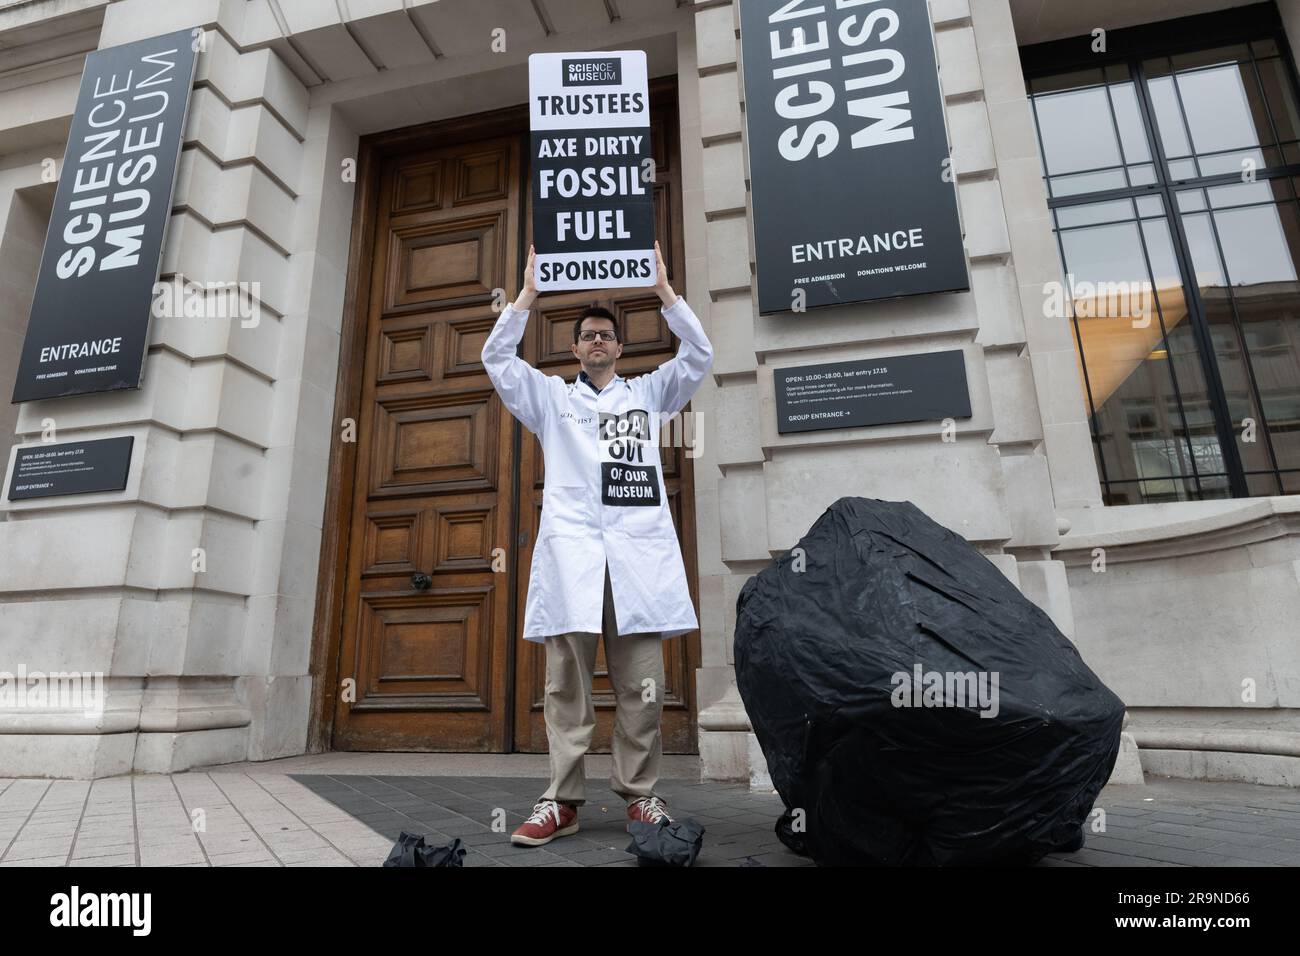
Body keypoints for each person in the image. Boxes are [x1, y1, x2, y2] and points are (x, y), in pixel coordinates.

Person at [481, 241, 713, 847]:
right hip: (575, 561)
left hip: (635, 563)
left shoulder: (648, 395)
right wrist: (528, 295)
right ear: (575, 346)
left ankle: (640, 796)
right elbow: (497, 359)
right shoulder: (552, 402)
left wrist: (664, 290)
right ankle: (561, 800)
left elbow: (700, 353)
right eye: (587, 335)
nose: (598, 342)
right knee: (565, 687)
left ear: (620, 345)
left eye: (607, 335)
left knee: (642, 687)